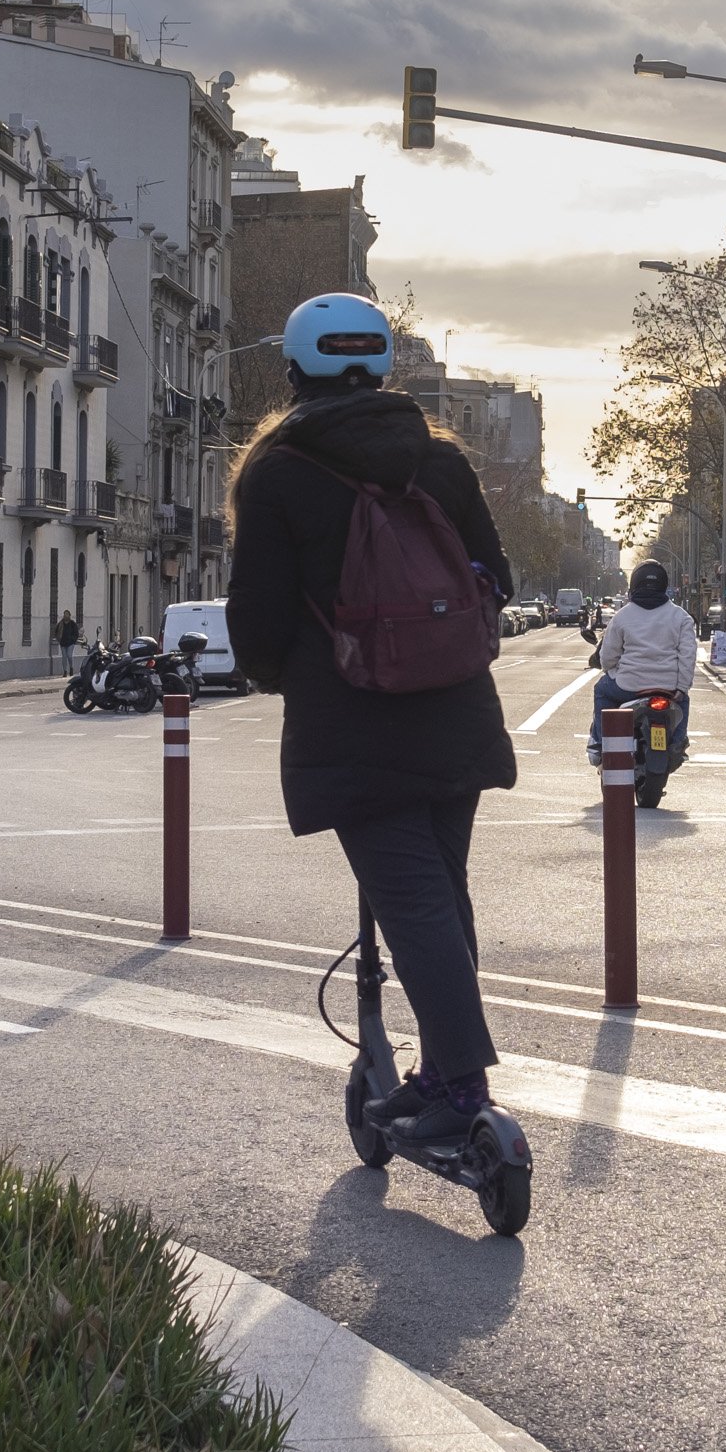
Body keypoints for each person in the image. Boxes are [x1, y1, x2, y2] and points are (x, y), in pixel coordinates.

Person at [229, 291, 516, 1148]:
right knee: (439, 892)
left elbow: (257, 621)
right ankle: (439, 1068)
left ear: (294, 371)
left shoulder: (279, 471)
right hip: (456, 709)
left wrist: (286, 674)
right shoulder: (442, 463)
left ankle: (459, 1084)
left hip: (353, 722)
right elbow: (493, 578)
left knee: (414, 899)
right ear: (384, 366)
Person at [591, 561, 695, 764]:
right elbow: (688, 657)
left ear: (634, 585)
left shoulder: (622, 617)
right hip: (668, 689)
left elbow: (607, 657)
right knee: (683, 701)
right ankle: (677, 744)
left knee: (601, 690)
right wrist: (681, 687)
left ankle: (602, 743)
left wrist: (612, 670)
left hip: (628, 687)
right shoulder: (681, 617)